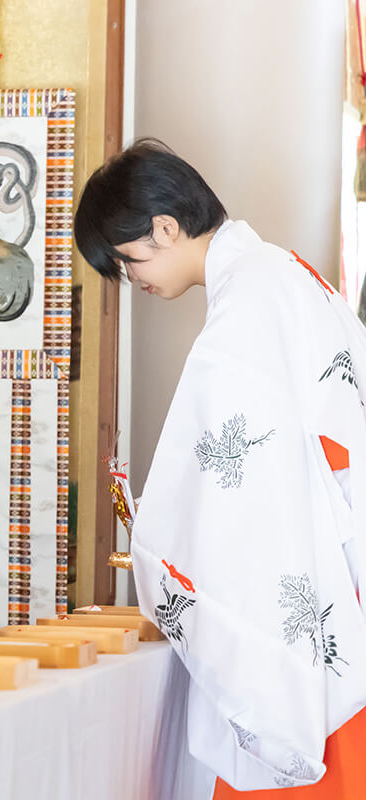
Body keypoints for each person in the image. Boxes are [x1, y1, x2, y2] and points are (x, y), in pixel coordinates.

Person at [74, 139, 366, 795]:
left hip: (315, 584)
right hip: (343, 576)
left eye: (128, 260)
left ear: (166, 227)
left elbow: (238, 473)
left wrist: (165, 538)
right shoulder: (286, 275)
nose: (134, 281)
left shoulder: (250, 303)